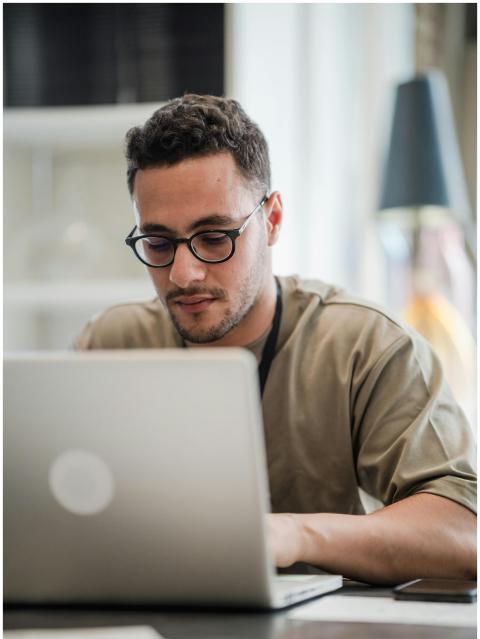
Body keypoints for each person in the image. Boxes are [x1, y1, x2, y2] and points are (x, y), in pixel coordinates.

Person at [74, 94, 476, 585]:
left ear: (273, 220)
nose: (183, 273)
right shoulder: (109, 346)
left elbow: (463, 532)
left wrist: (296, 536)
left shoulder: (366, 347)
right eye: (158, 243)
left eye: (215, 236)